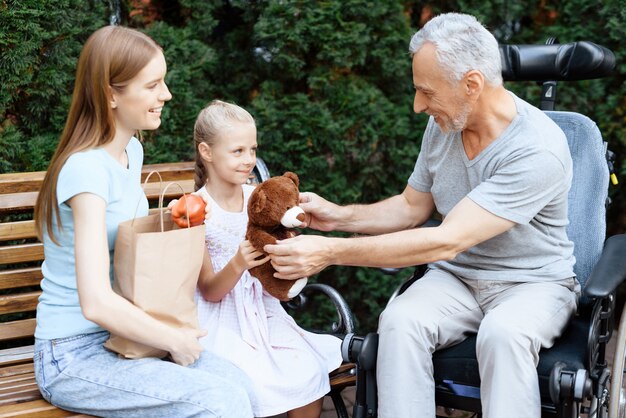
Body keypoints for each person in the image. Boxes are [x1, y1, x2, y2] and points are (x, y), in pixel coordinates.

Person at [264, 13, 580, 418]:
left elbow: (447, 238)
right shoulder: (446, 123)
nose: (418, 106)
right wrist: (337, 217)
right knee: (399, 321)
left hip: (532, 283)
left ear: (471, 85)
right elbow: (411, 207)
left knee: (503, 335)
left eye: (426, 92)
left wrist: (328, 252)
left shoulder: (537, 149)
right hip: (460, 278)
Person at [33, 26, 254, 417]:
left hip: (126, 337)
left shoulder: (130, 152)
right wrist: (173, 338)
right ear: (110, 94)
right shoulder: (86, 171)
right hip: (73, 355)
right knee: (220, 402)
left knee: (241, 387)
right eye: (152, 85)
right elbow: (96, 303)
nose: (165, 95)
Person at [191, 100, 343, 418]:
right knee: (247, 381)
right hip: (222, 321)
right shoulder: (196, 209)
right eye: (237, 151)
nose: (249, 160)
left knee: (307, 371)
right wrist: (238, 263)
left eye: (252, 149)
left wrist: (290, 245)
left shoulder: (258, 198)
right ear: (206, 151)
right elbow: (208, 290)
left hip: (266, 312)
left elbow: (282, 240)